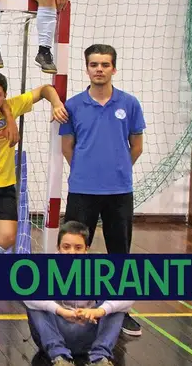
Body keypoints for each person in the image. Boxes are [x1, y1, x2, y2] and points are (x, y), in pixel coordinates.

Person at [60, 44, 145, 336]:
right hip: (82, 189)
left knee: (119, 252)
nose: (99, 69)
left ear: (113, 69)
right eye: (94, 64)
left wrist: (116, 170)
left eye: (105, 64)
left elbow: (136, 147)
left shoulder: (130, 103)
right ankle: (71, 305)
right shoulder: (72, 105)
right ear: (87, 68)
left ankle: (120, 310)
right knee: (74, 249)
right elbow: (67, 148)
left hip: (119, 191)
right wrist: (86, 171)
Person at [0, 71, 68, 286]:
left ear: (4, 96)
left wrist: (56, 104)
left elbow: (46, 89)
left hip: (3, 186)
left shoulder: (13, 106)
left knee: (7, 237)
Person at [25, 221, 133, 366]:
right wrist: (61, 311)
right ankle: (59, 358)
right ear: (58, 248)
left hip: (87, 333)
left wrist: (99, 311)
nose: (72, 253)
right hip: (54, 333)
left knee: (116, 307)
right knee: (34, 302)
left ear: (86, 249)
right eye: (66, 247)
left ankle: (100, 358)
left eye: (78, 248)